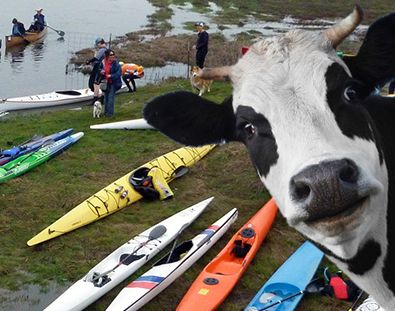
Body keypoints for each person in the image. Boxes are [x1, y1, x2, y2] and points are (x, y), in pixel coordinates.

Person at [99, 49, 122, 117]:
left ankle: (110, 114)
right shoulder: (103, 62)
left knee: (111, 98)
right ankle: (106, 112)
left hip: (113, 83)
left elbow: (118, 74)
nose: (113, 56)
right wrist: (101, 71)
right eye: (111, 55)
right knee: (106, 98)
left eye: (113, 55)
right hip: (106, 83)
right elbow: (99, 69)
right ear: (107, 56)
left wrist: (111, 76)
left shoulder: (116, 64)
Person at [86, 38, 107, 104]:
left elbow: (96, 58)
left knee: (95, 84)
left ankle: (95, 100)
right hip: (103, 69)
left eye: (98, 44)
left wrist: (88, 61)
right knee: (100, 84)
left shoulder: (102, 50)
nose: (97, 46)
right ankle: (101, 99)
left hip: (99, 69)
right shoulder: (106, 50)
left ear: (100, 43)